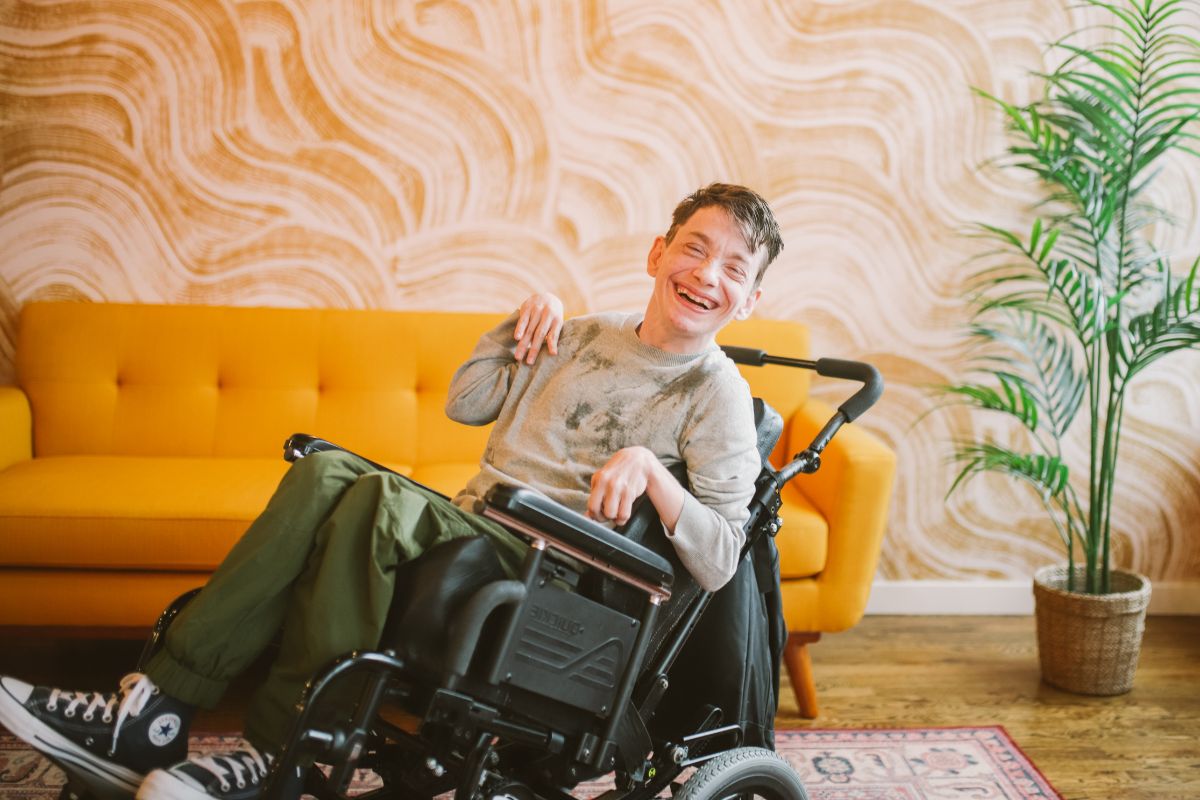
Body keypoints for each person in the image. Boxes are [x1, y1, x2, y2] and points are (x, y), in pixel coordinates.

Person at [0, 183, 784, 800]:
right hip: (483, 527)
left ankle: (280, 749)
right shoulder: (581, 333)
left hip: (554, 568)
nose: (706, 275)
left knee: (372, 504)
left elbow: (718, 560)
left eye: (733, 270)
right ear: (657, 253)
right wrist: (515, 329)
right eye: (694, 248)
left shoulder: (714, 396)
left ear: (748, 301)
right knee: (324, 470)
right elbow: (467, 404)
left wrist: (651, 473)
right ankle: (158, 708)